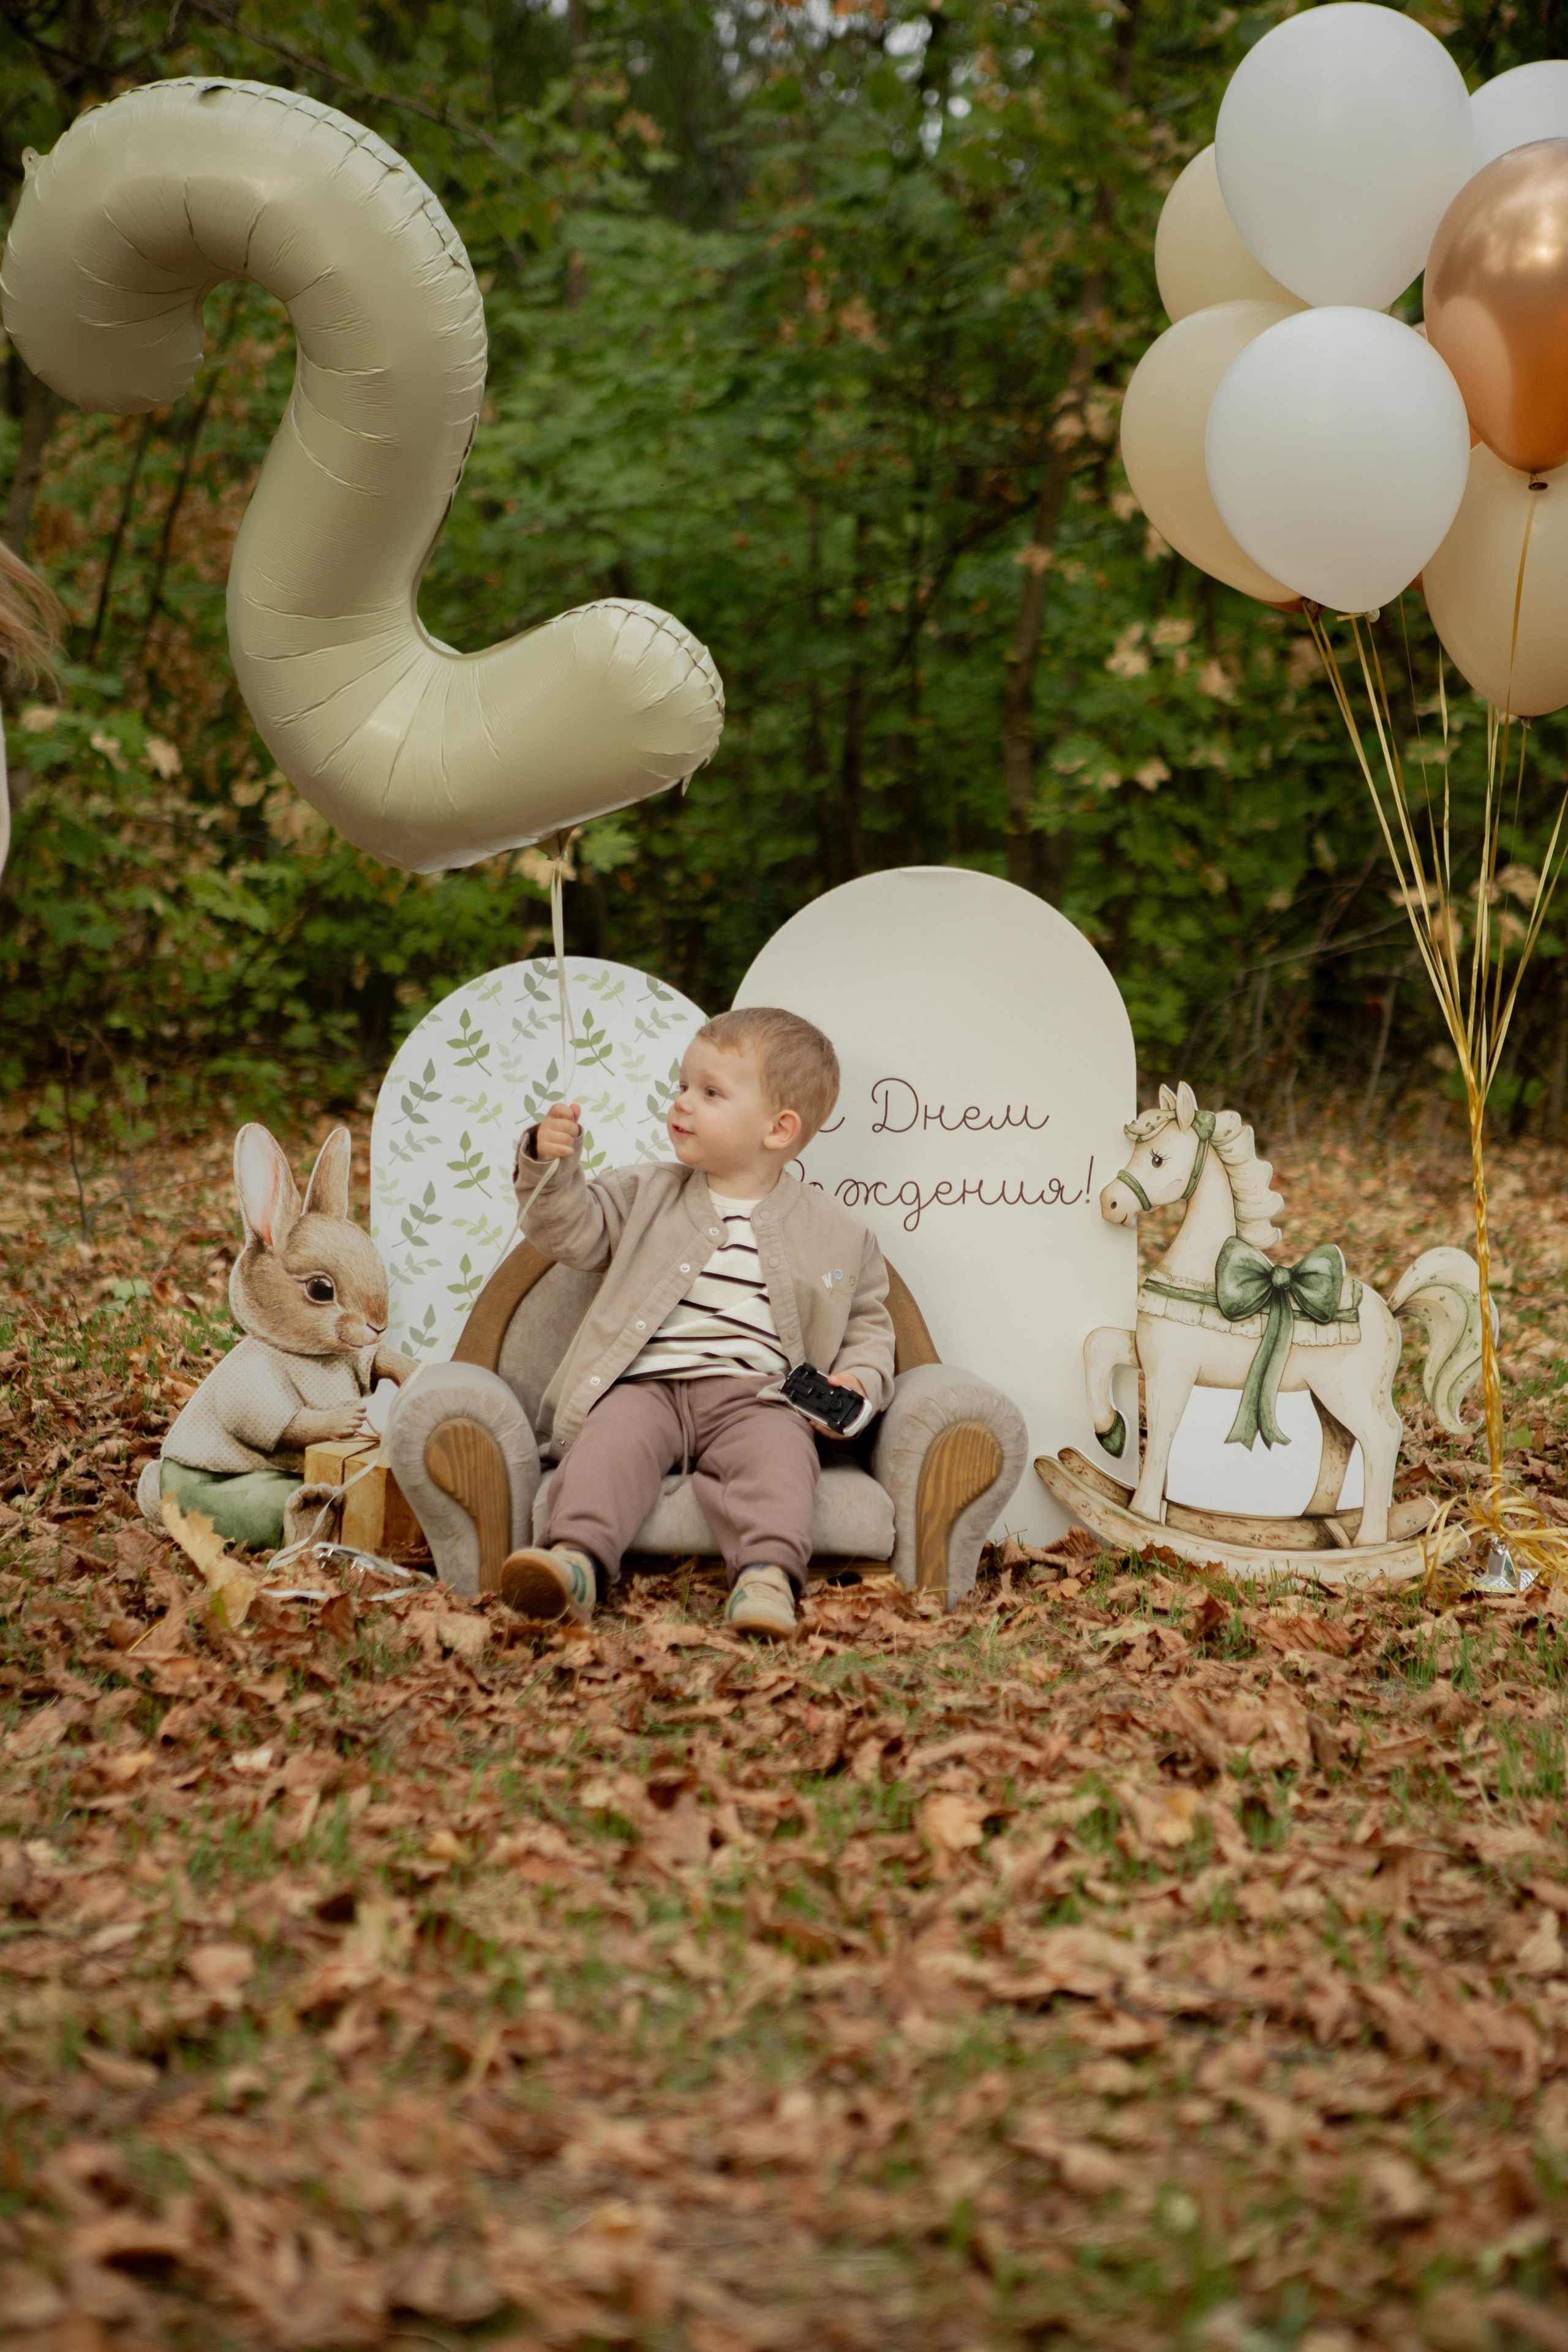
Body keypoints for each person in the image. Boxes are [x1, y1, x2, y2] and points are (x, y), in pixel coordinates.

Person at [499, 1006, 896, 1642]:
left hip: (757, 1399)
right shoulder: (644, 1192)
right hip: (645, 1389)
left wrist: (859, 1380)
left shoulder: (840, 1235)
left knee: (782, 1459)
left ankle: (766, 1577)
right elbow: (567, 1232)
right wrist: (552, 1165)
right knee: (607, 1447)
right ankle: (573, 1561)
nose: (682, 1103)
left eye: (709, 1093)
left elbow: (870, 1328)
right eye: (682, 1086)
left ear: (778, 1128)